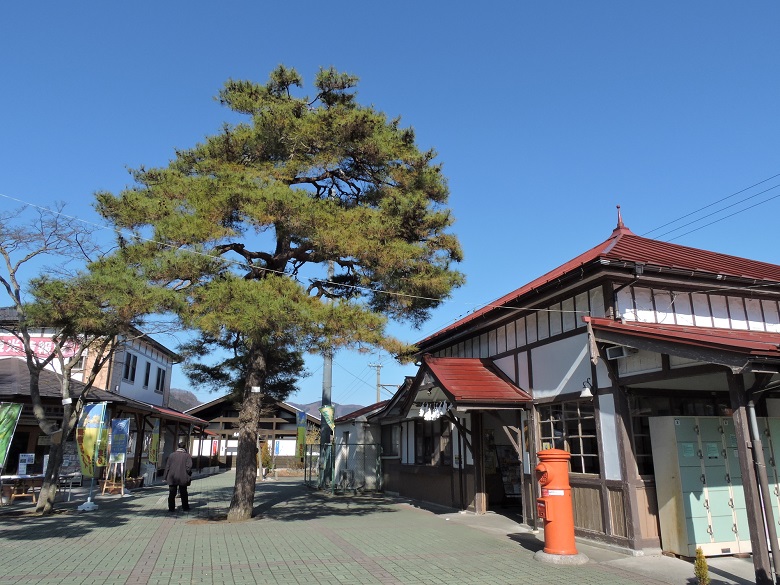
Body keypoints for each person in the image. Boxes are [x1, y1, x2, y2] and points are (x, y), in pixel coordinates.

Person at [164, 441, 192, 512]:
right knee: (183, 493)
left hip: (172, 477)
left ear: (178, 447)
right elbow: (189, 467)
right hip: (183, 476)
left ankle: (171, 508)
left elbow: (167, 466)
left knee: (172, 493)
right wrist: (189, 473)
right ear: (185, 447)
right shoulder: (187, 456)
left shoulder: (171, 455)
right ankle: (185, 507)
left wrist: (165, 477)